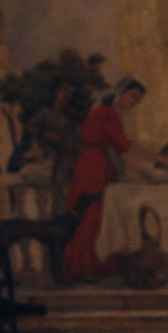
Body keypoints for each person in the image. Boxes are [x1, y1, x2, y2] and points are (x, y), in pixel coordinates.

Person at [62, 78, 141, 280]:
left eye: (137, 100)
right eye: (133, 96)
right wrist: (160, 159)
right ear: (122, 92)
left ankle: (94, 266)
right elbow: (123, 144)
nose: (134, 102)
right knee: (93, 215)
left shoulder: (106, 113)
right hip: (95, 167)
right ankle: (87, 267)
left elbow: (121, 148)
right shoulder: (107, 114)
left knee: (99, 215)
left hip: (98, 163)